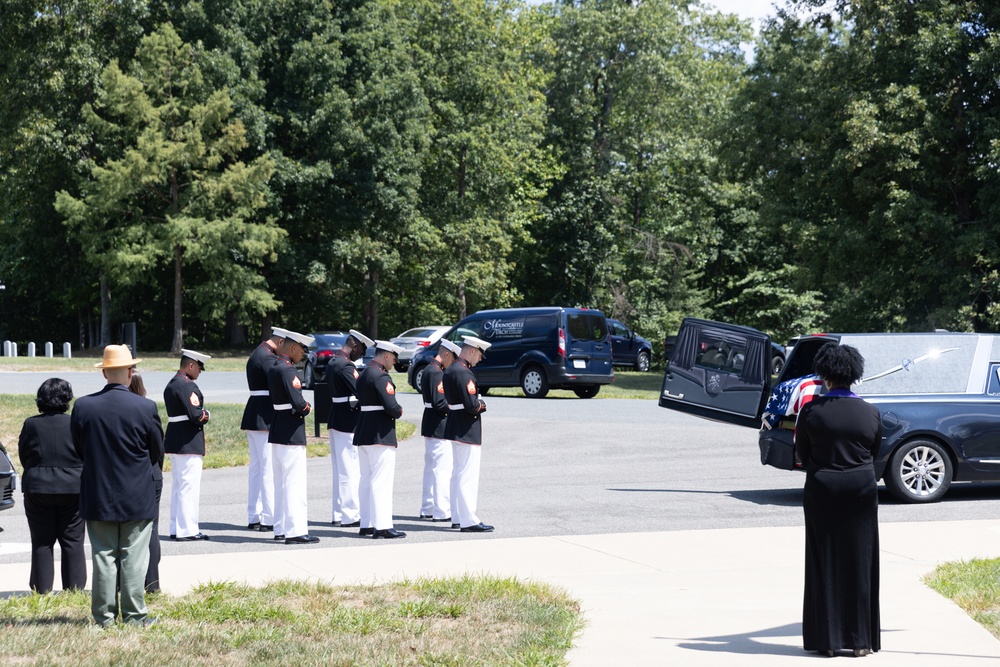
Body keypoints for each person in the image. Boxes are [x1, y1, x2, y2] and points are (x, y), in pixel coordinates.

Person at [794, 343, 882, 657]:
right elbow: (874, 453)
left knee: (823, 561)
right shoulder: (870, 411)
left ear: (825, 376)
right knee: (861, 560)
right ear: (853, 376)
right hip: (860, 488)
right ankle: (860, 641)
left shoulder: (810, 411)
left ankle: (827, 641)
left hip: (822, 488)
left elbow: (801, 455)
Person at [72, 345, 163, 627]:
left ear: (104, 373)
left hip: (97, 491)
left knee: (103, 557)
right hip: (137, 492)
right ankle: (135, 616)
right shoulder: (145, 406)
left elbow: (79, 448)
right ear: (129, 372)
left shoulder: (84, 406)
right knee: (134, 558)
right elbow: (156, 451)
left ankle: (103, 617)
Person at [17, 378, 86, 594]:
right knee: (73, 541)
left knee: (41, 541)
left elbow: (23, 454)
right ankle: (74, 589)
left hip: (38, 487)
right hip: (73, 486)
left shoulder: (31, 424)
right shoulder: (76, 423)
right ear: (67, 398)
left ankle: (41, 589)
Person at [267, 329, 317, 544]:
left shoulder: (274, 366)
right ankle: (295, 531)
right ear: (294, 347)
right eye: (301, 352)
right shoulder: (288, 371)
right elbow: (299, 404)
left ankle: (281, 528)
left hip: (278, 429)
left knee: (280, 483)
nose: (302, 357)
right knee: (294, 483)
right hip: (291, 431)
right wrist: (308, 408)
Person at [443, 336, 494, 533]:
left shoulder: (450, 370)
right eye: (479, 354)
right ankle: (468, 519)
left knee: (458, 474)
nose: (479, 359)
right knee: (467, 475)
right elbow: (472, 405)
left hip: (456, 425)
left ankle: (458, 516)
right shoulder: (464, 373)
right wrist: (482, 404)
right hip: (466, 427)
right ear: (472, 351)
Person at [355, 340, 405, 538]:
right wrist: (400, 410)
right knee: (381, 480)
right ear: (386, 356)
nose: (394, 362)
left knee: (366, 479)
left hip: (364, 431)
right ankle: (382, 525)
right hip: (380, 434)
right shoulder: (381, 376)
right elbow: (392, 407)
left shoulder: (364, 373)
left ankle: (366, 523)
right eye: (393, 358)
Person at [326, 329, 374, 527]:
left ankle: (339, 513)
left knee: (340, 469)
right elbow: (359, 390)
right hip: (347, 420)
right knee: (349, 469)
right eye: (361, 349)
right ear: (354, 346)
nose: (362, 354)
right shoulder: (346, 365)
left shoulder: (334, 361)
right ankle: (350, 515)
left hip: (337, 417)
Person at [241, 327, 286, 532]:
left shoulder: (258, 353)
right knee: (267, 469)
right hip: (264, 416)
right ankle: (268, 517)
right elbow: (280, 382)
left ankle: (255, 515)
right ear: (280, 342)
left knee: (257, 469)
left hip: (255, 415)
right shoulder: (267, 358)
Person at [164, 349, 212, 541]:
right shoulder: (186, 385)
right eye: (199, 368)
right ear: (191, 365)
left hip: (176, 440)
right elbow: (196, 415)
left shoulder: (172, 383)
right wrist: (207, 414)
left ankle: (177, 527)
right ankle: (188, 530)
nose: (199, 372)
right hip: (188, 442)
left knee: (179, 486)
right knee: (188, 487)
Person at [419, 338, 461, 522]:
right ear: (446, 354)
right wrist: (458, 404)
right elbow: (439, 402)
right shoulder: (437, 373)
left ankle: (428, 507)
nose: (453, 362)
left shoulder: (430, 369)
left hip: (431, 423)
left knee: (431, 468)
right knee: (441, 469)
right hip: (439, 424)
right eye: (452, 357)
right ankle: (442, 510)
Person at [128, 371, 162, 593]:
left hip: (127, 474)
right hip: (150, 472)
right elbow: (158, 446)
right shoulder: (148, 407)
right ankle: (152, 583)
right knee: (151, 529)